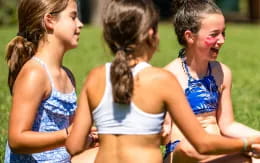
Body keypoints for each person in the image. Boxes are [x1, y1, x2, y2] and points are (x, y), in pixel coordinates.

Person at [66, 0, 260, 163]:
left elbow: (73, 145)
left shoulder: (94, 77)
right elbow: (201, 144)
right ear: (151, 35)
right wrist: (247, 143)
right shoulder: (163, 79)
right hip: (188, 150)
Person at [163, 0, 260, 162]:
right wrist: (244, 146)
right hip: (183, 153)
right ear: (189, 36)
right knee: (191, 149)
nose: (221, 40)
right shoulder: (168, 76)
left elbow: (227, 125)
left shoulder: (222, 72)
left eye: (223, 33)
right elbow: (166, 135)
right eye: (214, 34)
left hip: (220, 150)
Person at [4, 0, 85, 162]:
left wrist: (87, 136)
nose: (80, 24)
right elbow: (17, 140)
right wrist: (68, 134)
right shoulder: (35, 74)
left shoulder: (67, 76)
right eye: (73, 17)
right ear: (50, 21)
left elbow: (73, 132)